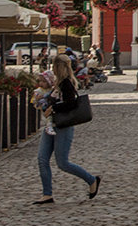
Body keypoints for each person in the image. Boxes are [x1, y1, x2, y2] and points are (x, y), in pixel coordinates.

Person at [34, 59, 101, 204]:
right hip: (51, 125)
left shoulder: (67, 83)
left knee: (62, 163)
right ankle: (47, 194)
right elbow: (55, 99)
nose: (53, 68)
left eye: (54, 66)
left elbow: (70, 104)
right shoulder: (58, 83)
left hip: (63, 126)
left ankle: (91, 180)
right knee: (42, 159)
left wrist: (54, 108)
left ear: (59, 68)